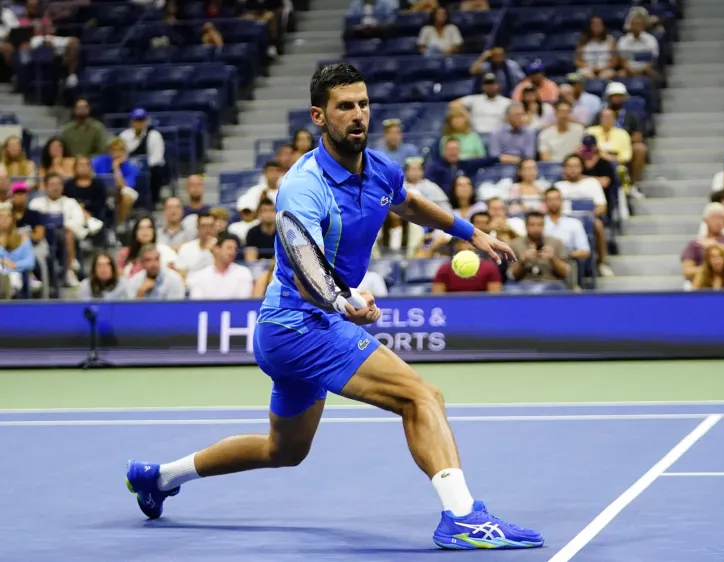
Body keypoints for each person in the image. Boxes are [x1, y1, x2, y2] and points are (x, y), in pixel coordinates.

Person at [124, 63, 543, 550]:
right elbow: (307, 274)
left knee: (284, 450)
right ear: (319, 116)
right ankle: (463, 516)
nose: (358, 114)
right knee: (421, 396)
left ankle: (160, 478)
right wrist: (345, 303)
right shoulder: (303, 188)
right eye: (345, 106)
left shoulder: (380, 166)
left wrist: (473, 233)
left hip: (295, 328)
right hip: (300, 322)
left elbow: (406, 203)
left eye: (363, 103)